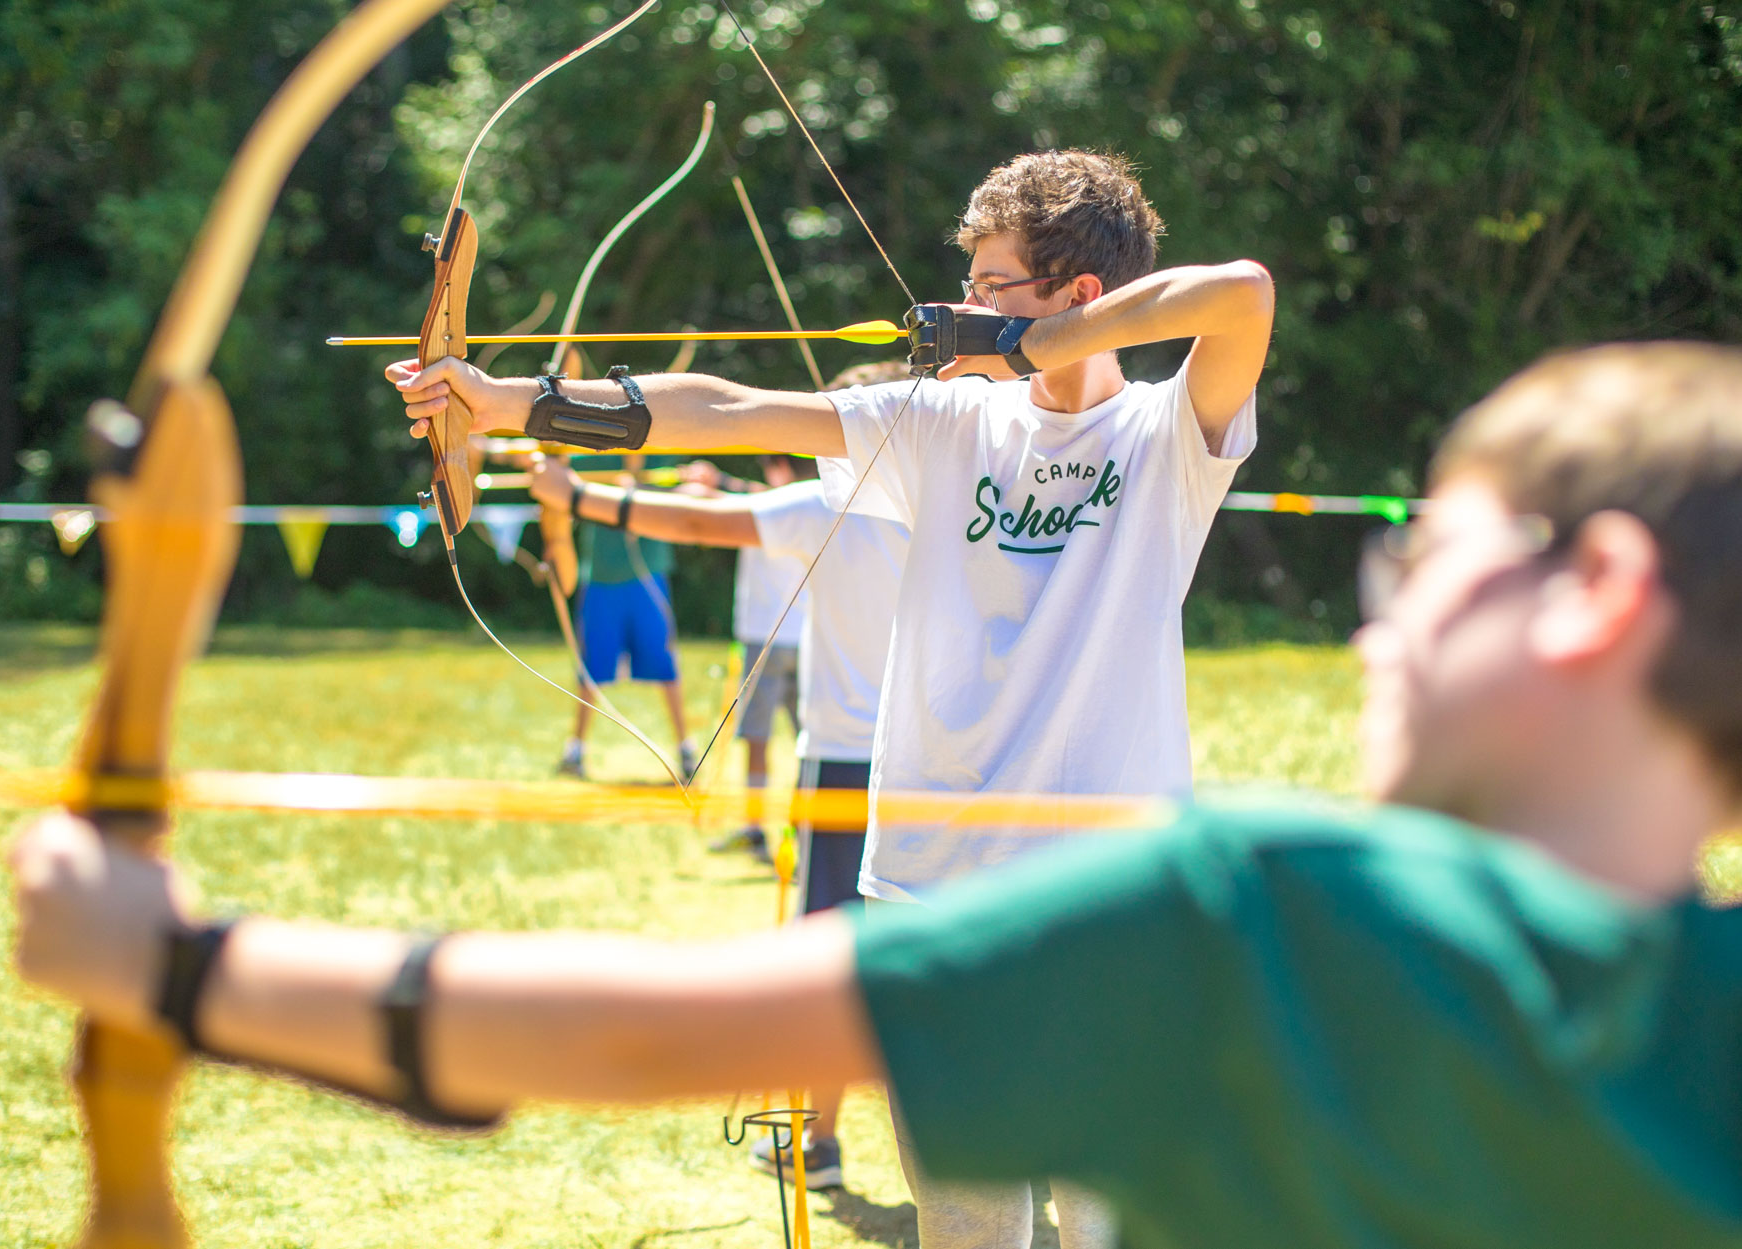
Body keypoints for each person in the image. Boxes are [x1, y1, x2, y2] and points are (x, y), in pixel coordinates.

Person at [12, 341, 1742, 1249]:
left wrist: (178, 961)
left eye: (1423, 560)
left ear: (1594, 598)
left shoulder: (1263, 923)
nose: (1379, 616)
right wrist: (1731, 738)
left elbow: (626, 1027)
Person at [395, 149, 1272, 1246]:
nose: (961, 306)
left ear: (1076, 295)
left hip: (1110, 902)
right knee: (966, 1222)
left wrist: (1028, 345)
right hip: (930, 888)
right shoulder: (949, 424)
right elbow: (732, 409)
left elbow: (1240, 294)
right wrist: (509, 403)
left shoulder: (1161, 435)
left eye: (993, 285)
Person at [526, 363, 915, 1190]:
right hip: (937, 762)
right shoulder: (949, 502)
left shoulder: (827, 504)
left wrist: (577, 497)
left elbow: (699, 524)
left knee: (832, 958)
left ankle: (818, 1140)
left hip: (848, 760)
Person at [688, 453, 813, 864]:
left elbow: (739, 497)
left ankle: (758, 828)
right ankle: (806, 832)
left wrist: (713, 482)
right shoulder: (817, 504)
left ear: (782, 468)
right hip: (805, 638)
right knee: (808, 742)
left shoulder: (771, 505)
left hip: (767, 637)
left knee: (758, 740)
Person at [551, 453, 697, 783]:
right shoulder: (592, 457)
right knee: (591, 669)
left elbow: (678, 502)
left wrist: (640, 493)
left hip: (647, 577)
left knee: (665, 663)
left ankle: (686, 749)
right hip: (602, 578)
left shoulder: (662, 454)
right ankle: (575, 750)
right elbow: (561, 482)